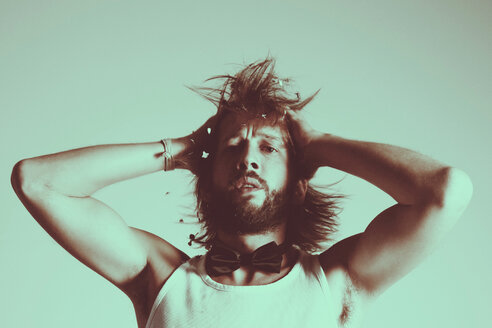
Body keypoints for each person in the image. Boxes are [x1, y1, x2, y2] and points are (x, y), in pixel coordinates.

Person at [11, 58, 473, 328]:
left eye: (268, 148)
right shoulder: (162, 277)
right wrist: (181, 149)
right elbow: (38, 181)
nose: (248, 158)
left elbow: (445, 191)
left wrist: (319, 145)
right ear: (205, 183)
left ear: (298, 185)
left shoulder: (335, 281)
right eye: (233, 146)